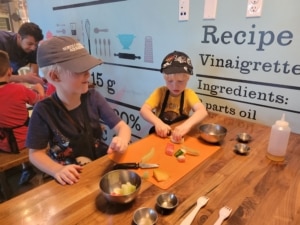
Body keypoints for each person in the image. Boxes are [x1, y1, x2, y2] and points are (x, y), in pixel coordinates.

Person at [26, 36, 131, 186]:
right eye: (79, 70)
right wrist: (56, 170)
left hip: (99, 167)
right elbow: (35, 153)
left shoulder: (93, 97)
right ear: (55, 76)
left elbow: (123, 127)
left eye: (87, 68)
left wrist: (122, 139)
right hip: (69, 177)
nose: (88, 74)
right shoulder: (43, 111)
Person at [140, 50, 208, 143]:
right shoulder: (160, 92)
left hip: (179, 137)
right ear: (165, 79)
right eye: (170, 81)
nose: (175, 86)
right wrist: (158, 123)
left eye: (180, 81)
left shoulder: (189, 94)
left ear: (187, 79)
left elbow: (202, 112)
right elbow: (144, 110)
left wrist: (186, 126)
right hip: (160, 136)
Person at [0, 50, 45, 184]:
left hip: (3, 144)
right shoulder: (19, 89)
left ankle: (26, 171)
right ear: (10, 71)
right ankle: (38, 170)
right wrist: (40, 89)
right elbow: (41, 104)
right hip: (25, 141)